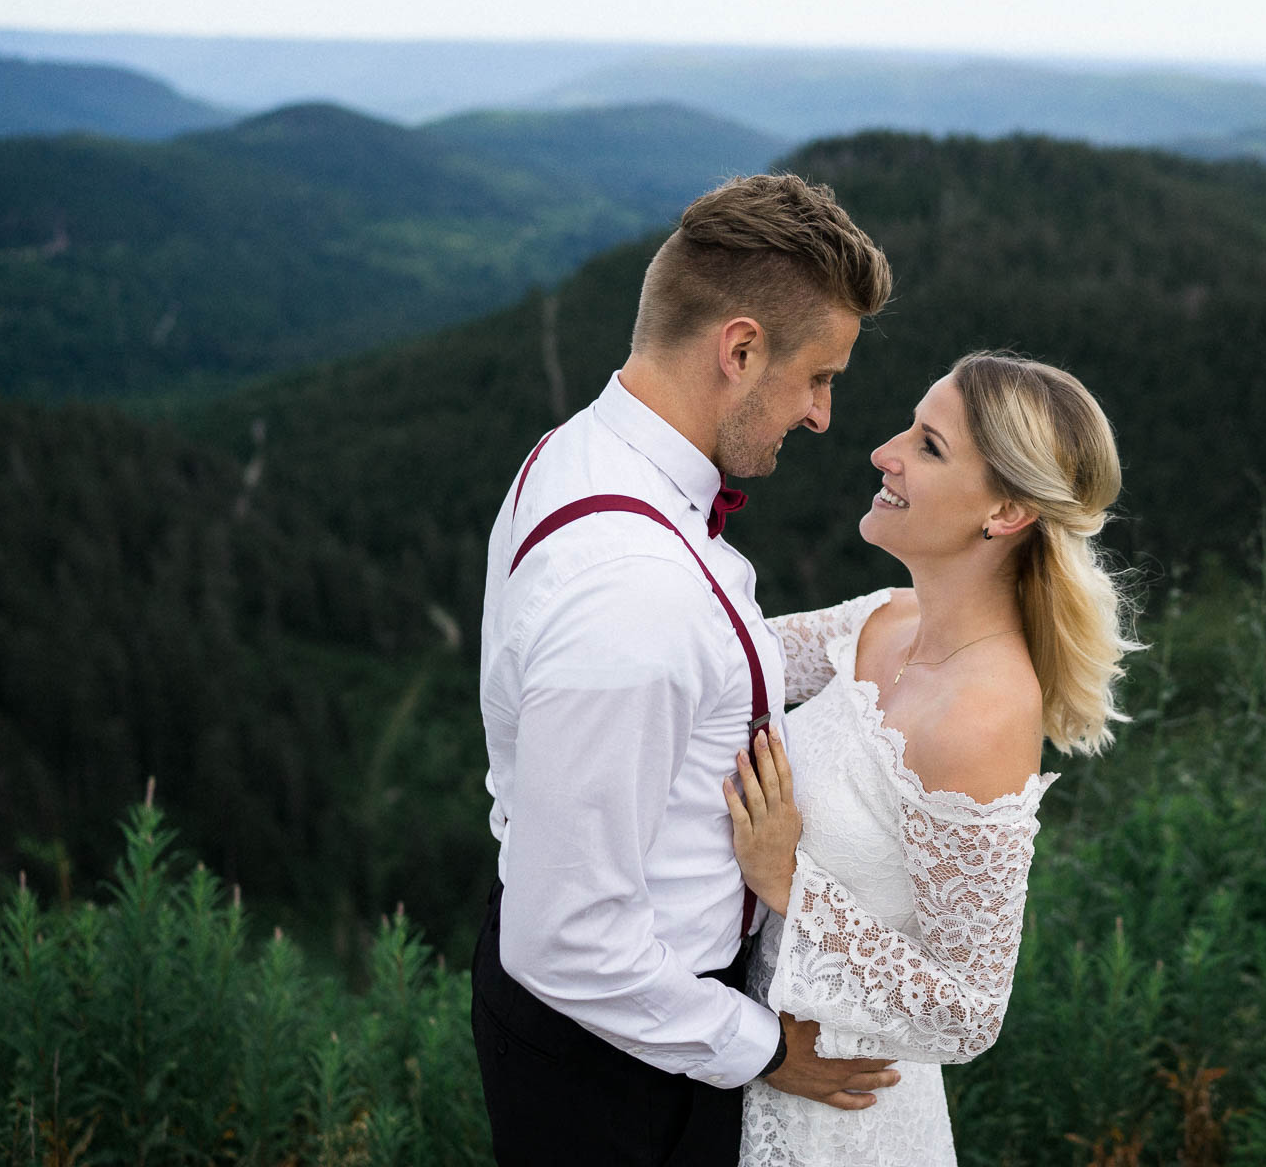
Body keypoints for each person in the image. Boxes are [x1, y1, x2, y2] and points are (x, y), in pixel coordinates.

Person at [470, 173, 902, 1166]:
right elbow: (566, 934)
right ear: (740, 349)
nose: (824, 415)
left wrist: (886, 629)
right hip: (618, 1060)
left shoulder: (584, 456)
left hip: (629, 1026)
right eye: (818, 377)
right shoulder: (634, 594)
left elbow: (705, 668)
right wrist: (758, 1047)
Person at [725, 351, 1136, 1166]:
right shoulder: (886, 618)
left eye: (929, 446)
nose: (884, 451)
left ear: (1006, 511)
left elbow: (970, 1012)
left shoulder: (984, 717)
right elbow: (729, 662)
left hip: (840, 1123)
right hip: (743, 1065)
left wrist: (785, 882)